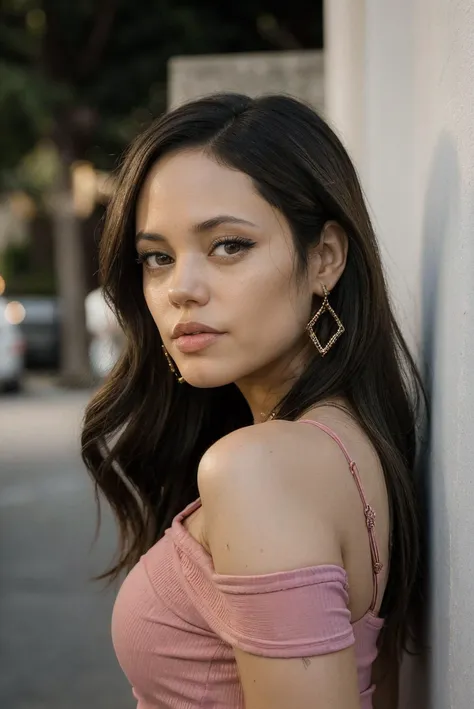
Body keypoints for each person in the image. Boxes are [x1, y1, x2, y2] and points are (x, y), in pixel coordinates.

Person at [81, 93, 426, 709]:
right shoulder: (344, 441)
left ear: (325, 258)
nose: (180, 289)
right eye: (157, 258)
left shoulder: (260, 469)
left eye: (229, 246)